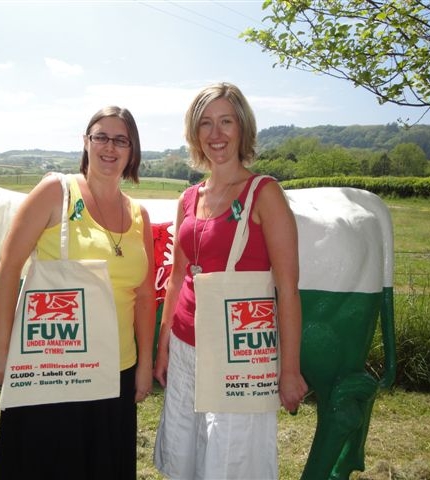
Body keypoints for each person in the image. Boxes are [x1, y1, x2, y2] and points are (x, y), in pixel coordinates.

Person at [0, 106, 156, 480]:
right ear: (86, 142)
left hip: (116, 370)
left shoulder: (140, 215)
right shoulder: (55, 192)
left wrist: (144, 365)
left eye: (120, 140)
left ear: (132, 150)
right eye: (101, 137)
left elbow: (145, 296)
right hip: (54, 366)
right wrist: (2, 347)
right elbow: (8, 265)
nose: (109, 147)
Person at [153, 82, 308, 479]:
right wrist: (164, 340)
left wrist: (288, 369)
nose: (216, 134)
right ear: (194, 133)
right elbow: (175, 278)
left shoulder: (264, 193)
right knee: (184, 451)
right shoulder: (190, 197)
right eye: (205, 123)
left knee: (231, 458)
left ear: (242, 128)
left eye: (226, 122)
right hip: (187, 346)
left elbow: (287, 289)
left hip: (238, 352)